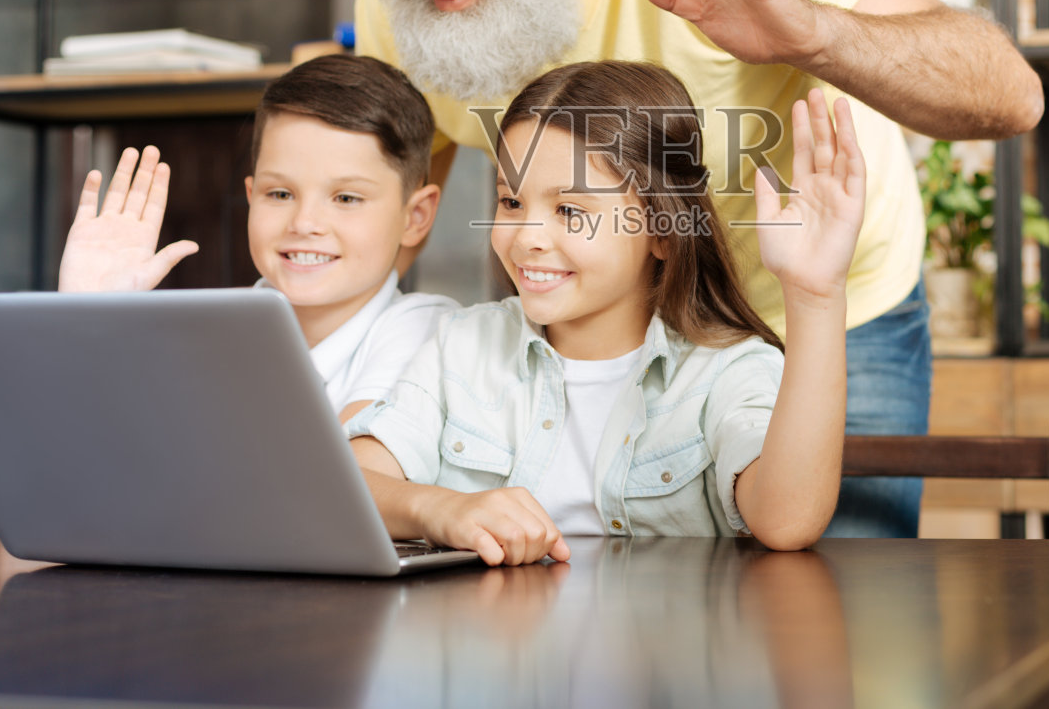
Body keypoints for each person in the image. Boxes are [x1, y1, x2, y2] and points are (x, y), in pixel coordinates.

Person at [345, 0, 1044, 536]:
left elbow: (1009, 92)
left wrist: (809, 31)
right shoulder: (404, 1)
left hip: (816, 309)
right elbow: (383, 215)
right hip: (597, 342)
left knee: (840, 621)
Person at [341, 61, 864, 565]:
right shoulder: (461, 344)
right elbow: (344, 484)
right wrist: (444, 509)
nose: (527, 238)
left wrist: (815, 296)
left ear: (661, 229)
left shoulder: (723, 370)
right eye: (511, 202)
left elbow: (788, 521)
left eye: (570, 210)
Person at [58, 54, 456, 411]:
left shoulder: (427, 332)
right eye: (280, 193)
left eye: (346, 198)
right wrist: (86, 324)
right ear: (251, 196)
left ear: (416, 217)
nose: (304, 223)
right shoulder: (207, 337)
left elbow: (345, 479)